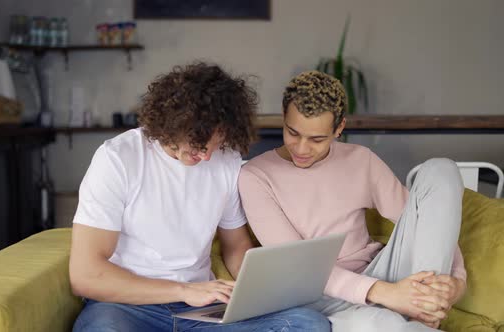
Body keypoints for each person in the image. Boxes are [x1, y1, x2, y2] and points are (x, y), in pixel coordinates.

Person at [69, 63, 331, 332]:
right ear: (171, 125)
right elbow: (86, 275)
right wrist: (184, 290)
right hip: (126, 307)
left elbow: (235, 246)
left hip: (200, 310)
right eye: (198, 144)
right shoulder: (118, 159)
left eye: (215, 145)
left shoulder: (226, 161)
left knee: (308, 324)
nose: (206, 157)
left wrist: (260, 293)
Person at [238, 70, 467, 331]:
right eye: (293, 132)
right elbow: (299, 268)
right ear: (283, 116)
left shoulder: (361, 160)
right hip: (316, 298)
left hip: (380, 274)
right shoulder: (255, 176)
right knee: (385, 324)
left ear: (339, 128)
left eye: (316, 139)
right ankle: (421, 317)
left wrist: (458, 283)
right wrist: (387, 294)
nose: (301, 148)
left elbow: (431, 225)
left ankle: (424, 308)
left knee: (441, 169)